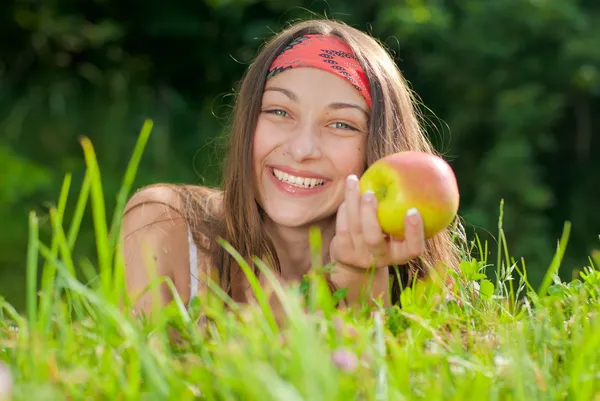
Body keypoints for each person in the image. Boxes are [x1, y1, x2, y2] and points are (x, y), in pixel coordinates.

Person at [121, 19, 462, 319]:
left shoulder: (420, 286)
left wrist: (361, 282)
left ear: (380, 150)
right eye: (279, 112)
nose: (301, 150)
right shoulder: (165, 224)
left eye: (341, 125)